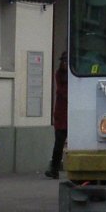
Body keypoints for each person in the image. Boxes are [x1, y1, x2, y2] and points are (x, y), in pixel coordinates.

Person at [45, 51, 68, 179]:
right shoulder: (59, 75)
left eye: (66, 61)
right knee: (58, 144)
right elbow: (62, 92)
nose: (64, 63)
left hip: (69, 116)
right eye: (63, 61)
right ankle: (54, 168)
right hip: (61, 115)